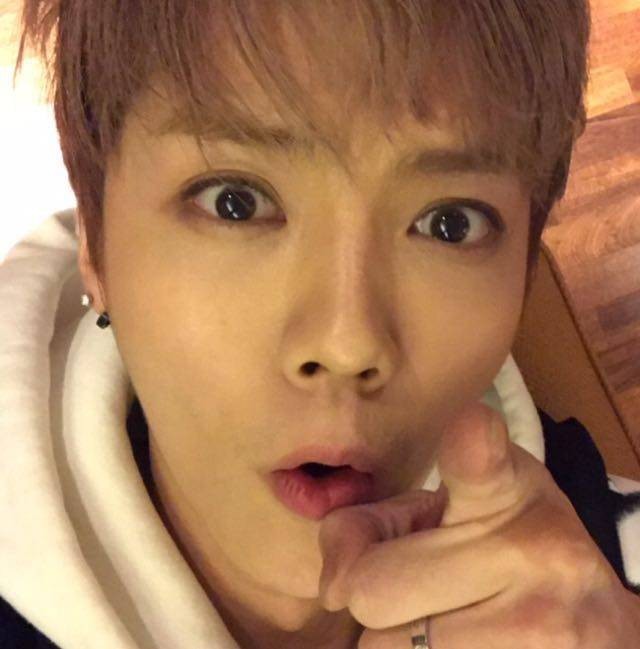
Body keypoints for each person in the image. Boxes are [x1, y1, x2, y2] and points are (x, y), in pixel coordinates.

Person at [1, 1, 639, 648]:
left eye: (450, 223)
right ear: (95, 241)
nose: (347, 343)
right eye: (235, 202)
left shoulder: (612, 581)